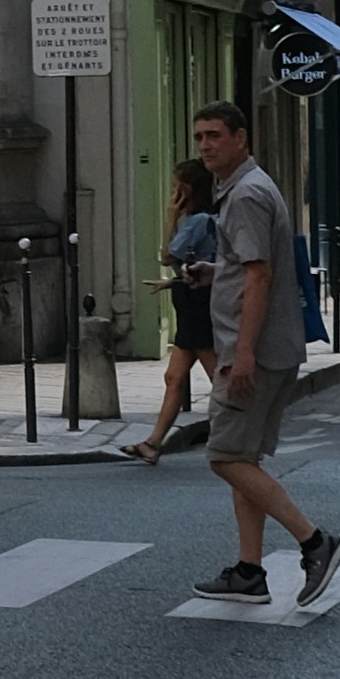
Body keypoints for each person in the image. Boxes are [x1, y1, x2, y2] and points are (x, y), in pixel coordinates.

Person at [189, 95, 340, 606]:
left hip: (249, 350)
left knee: (224, 457)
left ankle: (315, 541)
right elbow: (248, 266)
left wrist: (243, 353)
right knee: (243, 457)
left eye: (215, 135)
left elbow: (261, 274)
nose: (206, 145)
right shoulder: (246, 187)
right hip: (266, 343)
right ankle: (250, 572)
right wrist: (214, 273)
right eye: (200, 137)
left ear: (240, 138)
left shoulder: (246, 194)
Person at [135, 157, 219, 467]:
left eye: (175, 189)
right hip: (192, 303)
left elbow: (167, 253)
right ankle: (153, 444)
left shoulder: (197, 221)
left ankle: (242, 433)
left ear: (185, 190)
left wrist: (170, 216)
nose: (173, 195)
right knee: (174, 377)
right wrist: (171, 283)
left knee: (218, 376)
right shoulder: (204, 219)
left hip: (197, 307)